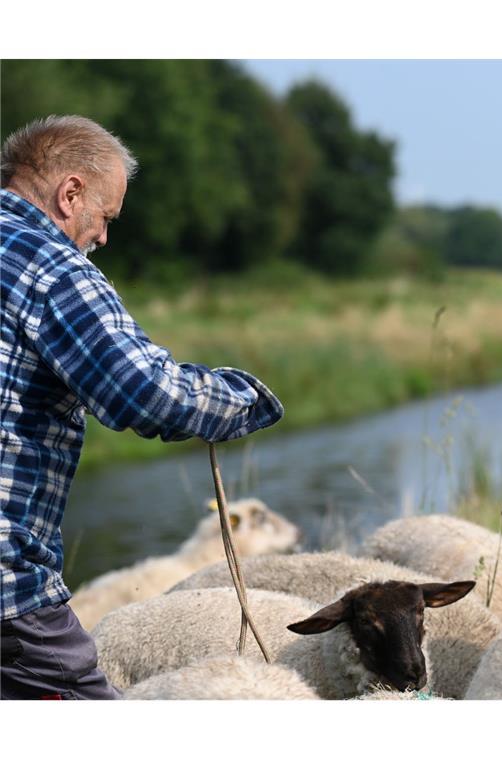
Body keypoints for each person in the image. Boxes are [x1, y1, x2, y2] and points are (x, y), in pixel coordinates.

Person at [1, 115, 285, 699]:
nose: (104, 238)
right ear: (70, 193)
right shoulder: (49, 265)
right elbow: (143, 392)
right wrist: (245, 398)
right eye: (105, 217)